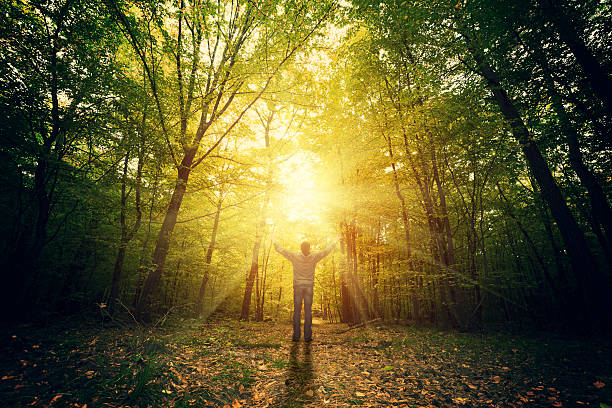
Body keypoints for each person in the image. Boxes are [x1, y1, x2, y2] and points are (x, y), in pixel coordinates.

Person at [274, 240, 336, 342]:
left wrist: (275, 244)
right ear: (309, 248)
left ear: (301, 248)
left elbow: (284, 251)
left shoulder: (295, 256)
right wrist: (334, 243)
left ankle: (296, 336)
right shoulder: (314, 256)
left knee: (297, 311)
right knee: (308, 311)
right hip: (309, 287)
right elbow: (325, 251)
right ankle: (307, 337)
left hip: (298, 286)